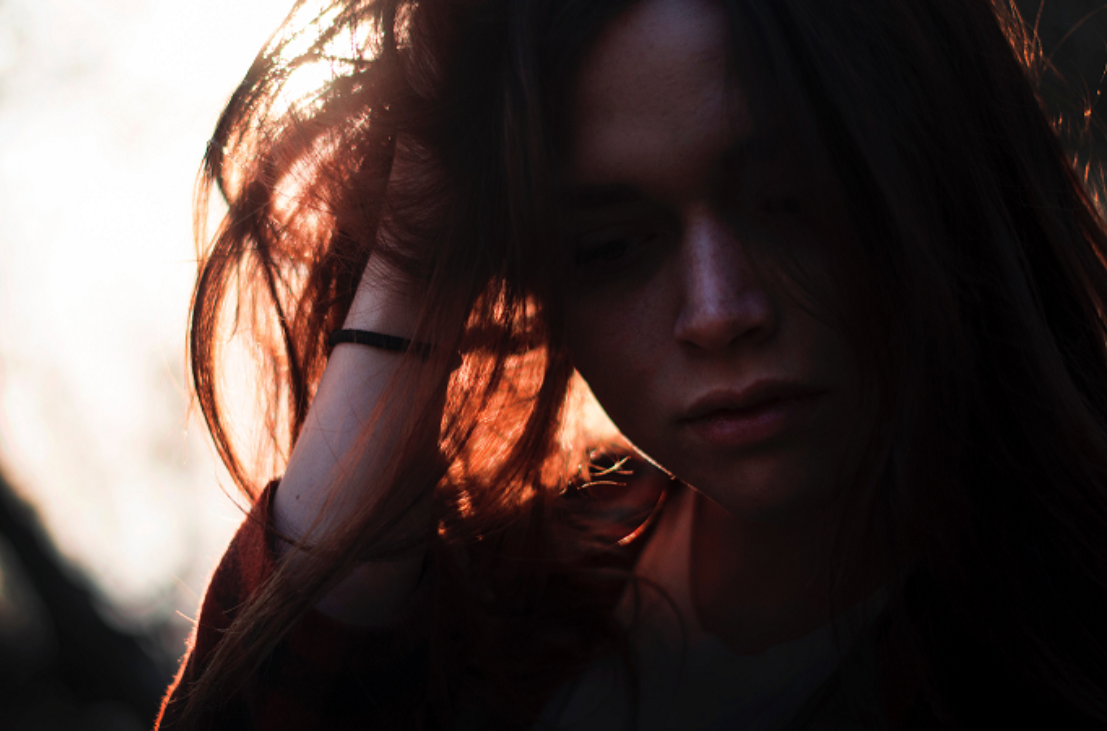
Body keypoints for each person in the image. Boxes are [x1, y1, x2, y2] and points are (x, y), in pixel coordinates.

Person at [157, 0, 1107, 727]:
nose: (719, 311)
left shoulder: (1061, 628)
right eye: (611, 245)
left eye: (790, 201)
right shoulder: (511, 607)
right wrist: (407, 271)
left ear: (924, 170)